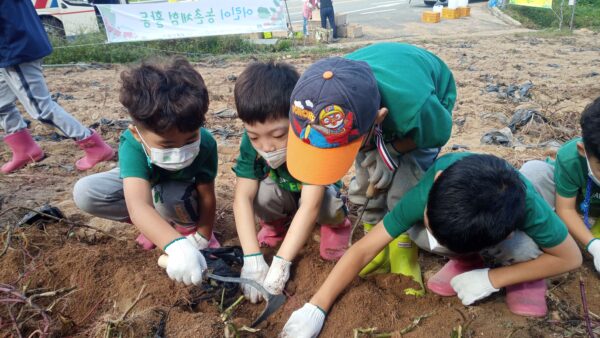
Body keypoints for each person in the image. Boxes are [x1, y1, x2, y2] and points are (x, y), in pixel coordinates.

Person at [281, 153, 582, 337]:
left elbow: (569, 258)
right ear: (436, 182)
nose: (435, 243)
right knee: (417, 234)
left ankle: (516, 272)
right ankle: (466, 260)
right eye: (428, 219)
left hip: (507, 236)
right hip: (474, 226)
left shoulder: (528, 208)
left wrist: (494, 277)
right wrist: (316, 307)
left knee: (523, 250)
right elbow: (362, 248)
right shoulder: (435, 184)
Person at [286, 42, 456, 295]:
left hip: (424, 110)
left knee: (404, 184)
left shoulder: (415, 109)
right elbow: (348, 139)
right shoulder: (324, 96)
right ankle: (374, 243)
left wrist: (393, 150)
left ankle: (403, 251)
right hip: (362, 120)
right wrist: (371, 151)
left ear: (378, 119)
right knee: (367, 175)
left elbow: (437, 134)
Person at [73, 57, 219, 286]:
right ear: (136, 133)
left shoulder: (206, 144)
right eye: (168, 145)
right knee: (86, 192)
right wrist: (177, 246)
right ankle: (158, 228)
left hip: (179, 196)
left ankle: (182, 228)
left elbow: (207, 196)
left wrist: (202, 236)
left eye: (190, 139)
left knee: (169, 195)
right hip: (147, 186)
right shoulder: (132, 144)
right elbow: (137, 203)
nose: (180, 150)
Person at [232, 61, 352, 303]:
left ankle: (336, 226)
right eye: (254, 136)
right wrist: (252, 259)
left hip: (317, 194)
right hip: (284, 189)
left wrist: (281, 264)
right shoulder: (252, 146)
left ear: (297, 118)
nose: (266, 146)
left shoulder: (312, 138)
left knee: (328, 206)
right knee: (261, 195)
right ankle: (276, 225)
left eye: (278, 135)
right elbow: (242, 198)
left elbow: (310, 205)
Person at [0, 0, 114, 174]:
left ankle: (94, 146)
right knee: (2, 103)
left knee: (41, 110)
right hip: (16, 44)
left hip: (15, 49)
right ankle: (24, 150)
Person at [520, 96, 600, 273]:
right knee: (534, 172)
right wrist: (594, 246)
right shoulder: (570, 158)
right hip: (573, 203)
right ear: (583, 150)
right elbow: (567, 209)